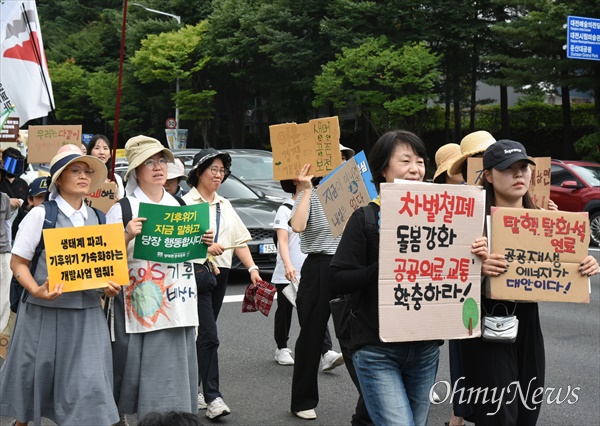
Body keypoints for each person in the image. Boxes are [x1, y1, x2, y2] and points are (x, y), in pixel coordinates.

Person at [329, 131, 488, 426]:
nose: (416, 168)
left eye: (420, 160)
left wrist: (479, 253)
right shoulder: (364, 217)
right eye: (405, 160)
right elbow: (336, 279)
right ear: (383, 168)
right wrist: (382, 269)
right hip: (376, 350)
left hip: (425, 350)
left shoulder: (447, 216)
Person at [460, 140, 599, 425]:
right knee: (499, 416)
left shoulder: (545, 222)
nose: (518, 175)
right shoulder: (469, 220)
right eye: (508, 169)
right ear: (488, 174)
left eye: (523, 168)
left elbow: (565, 268)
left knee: (527, 412)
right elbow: (443, 278)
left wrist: (585, 265)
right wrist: (478, 269)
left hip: (527, 324)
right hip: (486, 325)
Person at [0, 147, 121, 426]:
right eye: (75, 171)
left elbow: (104, 270)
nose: (83, 177)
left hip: (88, 315)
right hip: (45, 313)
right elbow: (18, 263)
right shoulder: (41, 215)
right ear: (59, 179)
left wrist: (109, 287)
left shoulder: (99, 219)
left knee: (89, 385)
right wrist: (36, 289)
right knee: (35, 380)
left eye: (87, 171)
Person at [106, 136, 200, 423]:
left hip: (176, 303)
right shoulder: (122, 209)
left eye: (161, 160)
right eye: (149, 162)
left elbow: (190, 254)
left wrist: (204, 241)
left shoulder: (181, 205)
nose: (158, 167)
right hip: (139, 305)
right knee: (133, 366)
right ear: (135, 170)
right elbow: (105, 259)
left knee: (175, 367)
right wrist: (126, 235)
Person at [182, 148, 263, 420]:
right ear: (198, 173)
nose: (218, 175)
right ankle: (213, 396)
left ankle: (192, 389)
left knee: (204, 334)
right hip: (195, 272)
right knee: (209, 335)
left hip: (222, 273)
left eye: (221, 171)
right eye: (213, 170)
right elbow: (177, 244)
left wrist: (252, 268)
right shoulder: (184, 203)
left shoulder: (225, 204)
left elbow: (239, 239)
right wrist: (204, 248)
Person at [289, 144, 359, 421]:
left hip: (352, 266)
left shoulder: (357, 192)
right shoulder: (311, 194)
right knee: (311, 335)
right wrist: (305, 189)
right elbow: (297, 225)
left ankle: (372, 396)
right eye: (332, 160)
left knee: (357, 336)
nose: (338, 164)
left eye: (342, 160)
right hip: (319, 266)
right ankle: (302, 400)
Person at [271, 179, 340, 366]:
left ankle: (326, 352)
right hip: (289, 270)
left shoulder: (322, 203)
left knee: (313, 312)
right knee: (285, 310)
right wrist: (287, 265)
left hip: (311, 269)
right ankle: (282, 347)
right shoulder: (285, 208)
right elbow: (282, 241)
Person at [10, 176, 49, 241]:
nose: (46, 201)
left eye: (50, 196)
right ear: (30, 200)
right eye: (40, 197)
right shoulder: (27, 224)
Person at [87, 134, 125, 199]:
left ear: (110, 154)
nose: (102, 152)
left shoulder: (116, 178)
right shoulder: (84, 176)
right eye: (97, 148)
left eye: (105, 148)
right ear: (90, 152)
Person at [0, 147, 29, 216]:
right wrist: (7, 202)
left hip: (20, 224)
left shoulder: (23, 183)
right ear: (3, 162)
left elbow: (27, 206)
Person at [0, 163, 12, 334]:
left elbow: (8, 225)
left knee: (5, 298)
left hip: (4, 251)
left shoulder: (5, 198)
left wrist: (10, 248)